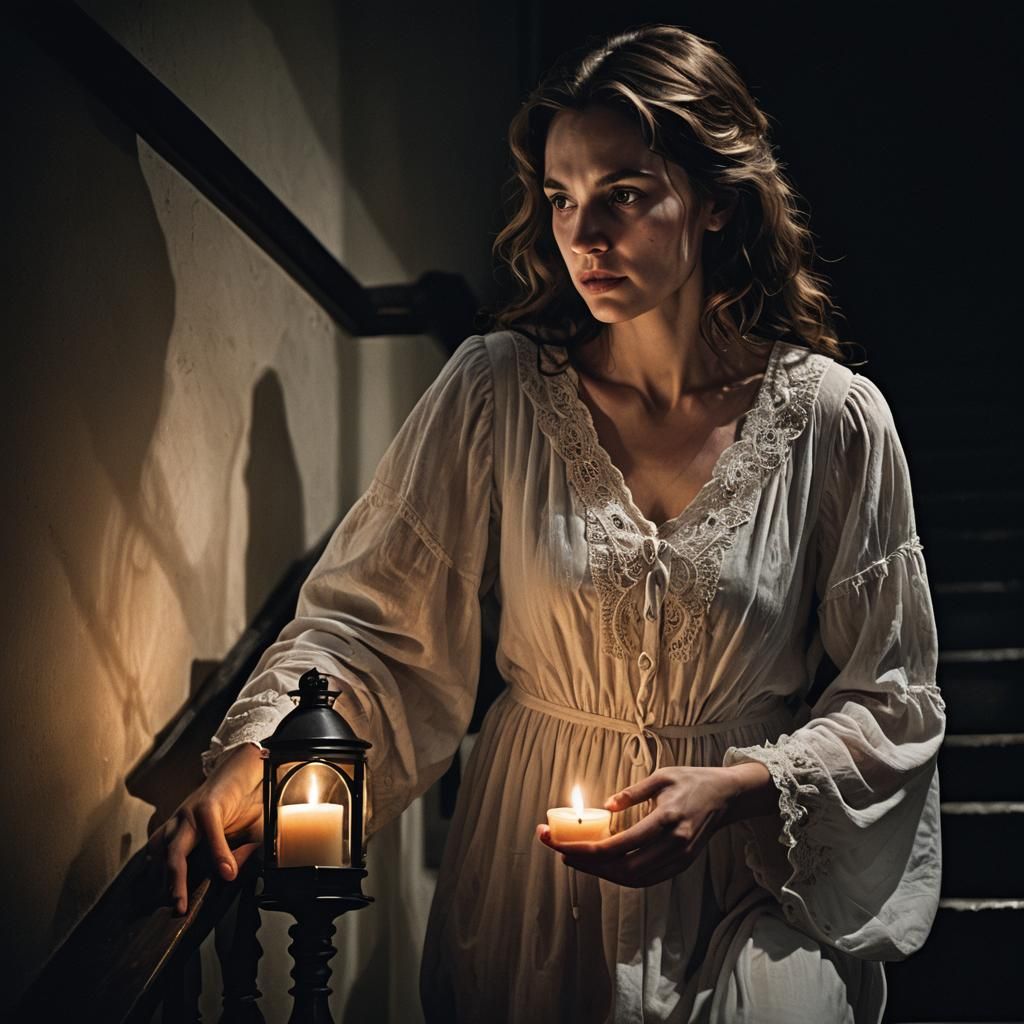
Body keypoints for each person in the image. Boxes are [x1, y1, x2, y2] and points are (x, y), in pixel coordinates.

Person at [149, 23, 946, 1024]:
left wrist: (741, 784)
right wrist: (256, 759)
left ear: (710, 202)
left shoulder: (831, 419)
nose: (584, 236)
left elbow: (895, 696)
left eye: (622, 193)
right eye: (563, 199)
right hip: (537, 884)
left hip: (745, 878)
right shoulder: (497, 390)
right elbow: (367, 627)